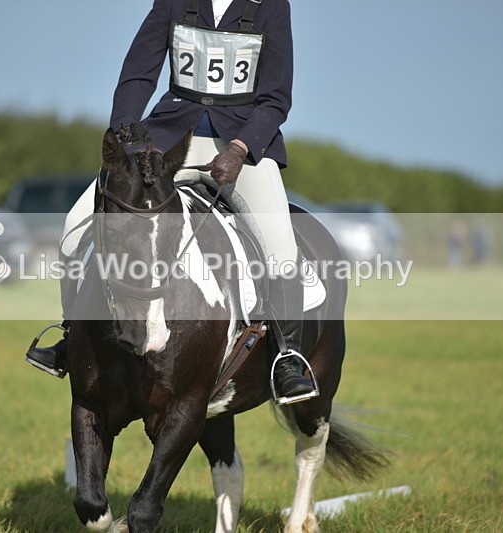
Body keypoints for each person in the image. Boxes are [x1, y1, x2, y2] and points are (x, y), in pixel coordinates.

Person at [26, 0, 316, 402]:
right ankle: (70, 334)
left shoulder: (271, 6)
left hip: (241, 145)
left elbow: (276, 98)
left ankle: (287, 358)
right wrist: (128, 131)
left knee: (281, 244)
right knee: (75, 224)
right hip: (167, 138)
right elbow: (138, 73)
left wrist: (240, 147)